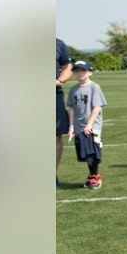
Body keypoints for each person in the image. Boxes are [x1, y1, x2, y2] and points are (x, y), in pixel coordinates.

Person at [66, 60, 107, 190]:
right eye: (77, 70)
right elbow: (71, 108)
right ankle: (91, 175)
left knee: (92, 151)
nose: (80, 73)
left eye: (83, 70)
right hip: (79, 126)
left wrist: (89, 125)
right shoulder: (73, 89)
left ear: (90, 72)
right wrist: (71, 126)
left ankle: (95, 176)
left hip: (92, 126)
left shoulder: (94, 87)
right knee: (84, 152)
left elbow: (97, 107)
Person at [56, 37, 74, 188]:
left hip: (53, 94)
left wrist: (60, 81)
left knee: (55, 136)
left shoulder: (58, 43)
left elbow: (67, 67)